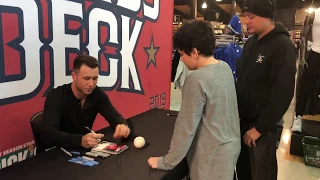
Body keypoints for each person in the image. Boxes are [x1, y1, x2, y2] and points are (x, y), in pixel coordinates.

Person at [148, 20, 241, 180]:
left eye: (182, 54)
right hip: (230, 149)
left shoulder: (196, 79)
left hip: (210, 158)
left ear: (195, 51)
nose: (181, 60)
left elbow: (186, 127)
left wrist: (167, 162)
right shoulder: (224, 67)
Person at [235, 0, 296, 180]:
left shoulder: (282, 46)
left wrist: (260, 128)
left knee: (262, 175)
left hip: (263, 129)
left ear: (267, 17)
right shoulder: (250, 44)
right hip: (243, 123)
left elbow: (283, 92)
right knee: (244, 172)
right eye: (245, 16)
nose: (246, 21)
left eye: (251, 17)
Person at [40, 55, 130, 149]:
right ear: (74, 76)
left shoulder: (97, 94)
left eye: (95, 79)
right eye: (86, 79)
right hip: (54, 153)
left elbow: (114, 116)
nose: (91, 84)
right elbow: (49, 134)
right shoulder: (56, 95)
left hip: (82, 150)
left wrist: (122, 125)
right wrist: (80, 140)